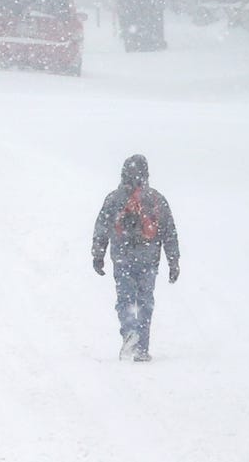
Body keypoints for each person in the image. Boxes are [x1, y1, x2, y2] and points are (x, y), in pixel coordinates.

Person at [90, 153, 181, 361]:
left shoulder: (114, 198)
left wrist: (98, 254)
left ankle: (129, 330)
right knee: (145, 301)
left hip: (122, 258)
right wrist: (173, 261)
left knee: (126, 298)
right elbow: (169, 232)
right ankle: (142, 348)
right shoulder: (156, 199)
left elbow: (102, 228)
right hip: (149, 259)